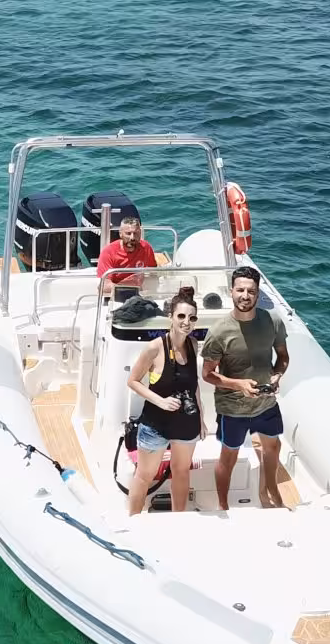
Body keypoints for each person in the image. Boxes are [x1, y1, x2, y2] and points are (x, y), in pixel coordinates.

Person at [201, 265, 291, 510]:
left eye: (251, 291)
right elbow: (207, 374)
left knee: (273, 446)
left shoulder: (272, 321)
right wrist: (237, 384)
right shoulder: (219, 331)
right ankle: (223, 505)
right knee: (229, 456)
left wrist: (277, 375)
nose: (245, 296)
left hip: (266, 403)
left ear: (258, 293)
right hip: (233, 409)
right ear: (231, 291)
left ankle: (271, 491)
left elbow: (283, 357)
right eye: (240, 290)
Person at [126, 285, 204, 515]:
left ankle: (178, 520)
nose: (186, 322)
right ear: (171, 316)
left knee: (181, 472)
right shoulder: (155, 348)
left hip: (186, 422)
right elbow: (133, 381)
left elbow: (194, 386)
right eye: (181, 316)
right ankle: (133, 520)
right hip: (155, 424)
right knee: (144, 475)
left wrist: (201, 418)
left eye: (192, 318)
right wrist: (160, 401)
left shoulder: (193, 345)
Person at [96, 212, 157, 301]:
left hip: (140, 294)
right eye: (128, 233)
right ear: (120, 234)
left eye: (135, 233)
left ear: (140, 233)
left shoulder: (146, 248)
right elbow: (104, 286)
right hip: (116, 296)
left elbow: (154, 272)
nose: (132, 237)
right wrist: (129, 291)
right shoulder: (108, 252)